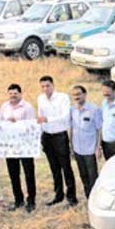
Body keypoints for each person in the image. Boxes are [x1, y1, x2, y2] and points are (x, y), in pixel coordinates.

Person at [37, 75, 77, 207]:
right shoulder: (40, 98)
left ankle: (71, 197)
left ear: (53, 85)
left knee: (66, 167)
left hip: (59, 136)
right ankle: (58, 195)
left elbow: (65, 116)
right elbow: (40, 117)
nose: (45, 88)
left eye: (47, 85)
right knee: (54, 168)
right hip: (47, 136)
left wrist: (48, 119)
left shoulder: (63, 97)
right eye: (42, 86)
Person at [0, 84, 37, 213]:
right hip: (10, 146)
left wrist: (17, 123)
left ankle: (31, 200)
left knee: (28, 173)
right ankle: (18, 200)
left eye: (15, 93)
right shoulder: (4, 107)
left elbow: (32, 126)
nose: (13, 96)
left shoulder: (28, 107)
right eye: (10, 94)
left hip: (25, 145)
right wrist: (6, 123)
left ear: (20, 94)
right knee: (14, 174)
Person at [70, 85, 102, 198]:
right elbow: (72, 129)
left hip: (90, 149)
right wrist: (71, 147)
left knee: (92, 176)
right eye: (74, 95)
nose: (76, 97)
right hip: (78, 149)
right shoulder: (72, 110)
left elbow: (99, 129)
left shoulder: (94, 109)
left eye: (78, 94)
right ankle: (88, 197)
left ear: (85, 94)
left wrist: (98, 148)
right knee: (83, 175)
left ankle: (95, 199)